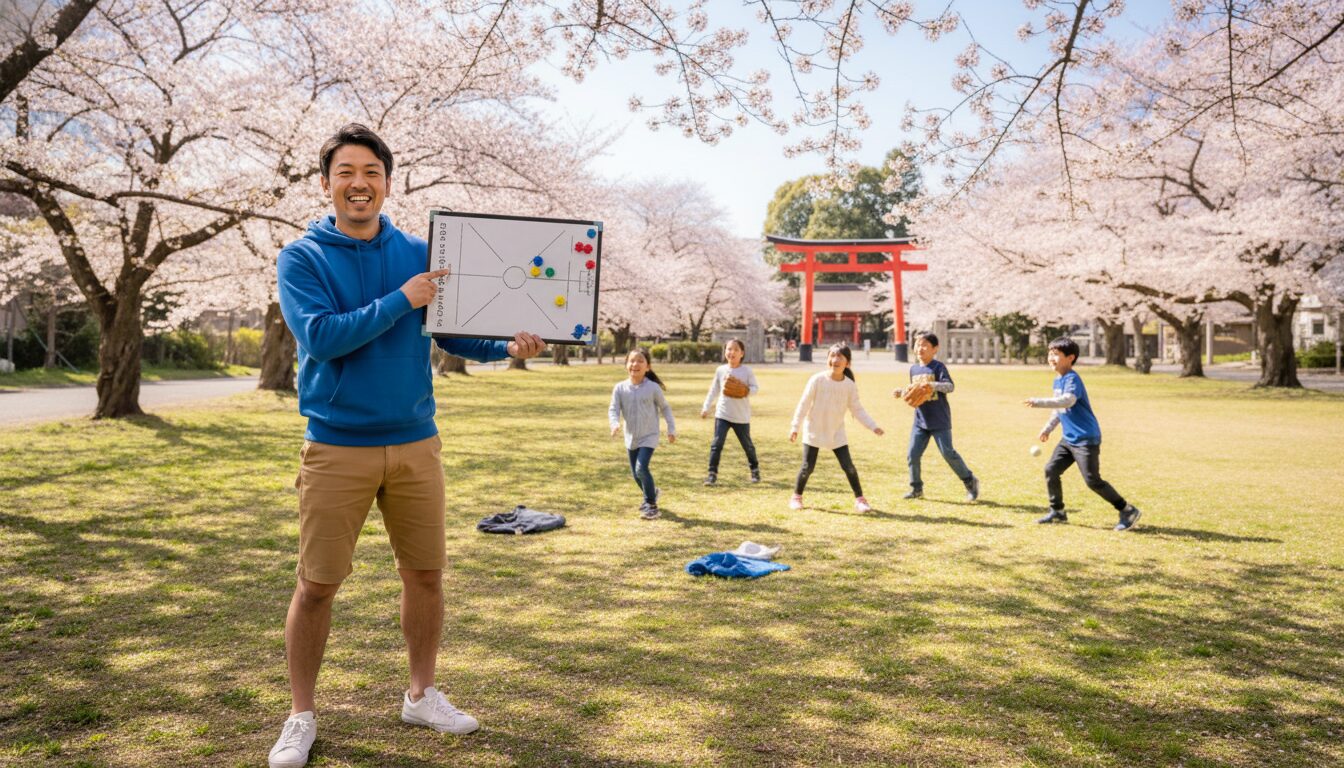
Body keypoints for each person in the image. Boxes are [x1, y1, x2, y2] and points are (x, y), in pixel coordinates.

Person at [269, 123, 544, 768]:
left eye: (371, 172)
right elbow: (324, 338)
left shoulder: (421, 251)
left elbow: (450, 332)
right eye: (345, 173)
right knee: (317, 585)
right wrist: (400, 299)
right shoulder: (302, 257)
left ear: (389, 183)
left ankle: (421, 693)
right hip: (337, 446)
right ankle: (300, 714)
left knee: (425, 576)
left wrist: (506, 346)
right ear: (326, 183)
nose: (358, 184)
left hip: (417, 442)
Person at [1025, 337, 1141, 531]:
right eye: (1050, 353)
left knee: (1092, 480)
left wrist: (1038, 402)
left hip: (1085, 438)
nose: (1051, 357)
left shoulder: (1072, 378)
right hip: (1068, 439)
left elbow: (1067, 401)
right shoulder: (1058, 380)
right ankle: (1058, 511)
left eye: (1056, 354)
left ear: (1070, 358)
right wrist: (1048, 428)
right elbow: (1059, 409)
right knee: (1051, 470)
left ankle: (1127, 510)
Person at [788, 343, 884, 513]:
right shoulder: (817, 380)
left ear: (847, 363)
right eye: (832, 356)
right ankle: (796, 497)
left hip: (836, 432)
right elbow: (804, 404)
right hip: (814, 430)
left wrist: (873, 426)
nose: (835, 360)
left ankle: (860, 500)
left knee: (849, 467)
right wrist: (795, 427)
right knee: (807, 467)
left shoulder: (849, 385)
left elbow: (857, 409)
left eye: (840, 357)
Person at [892, 332, 980, 502]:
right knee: (912, 454)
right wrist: (901, 391)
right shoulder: (913, 369)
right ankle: (916, 488)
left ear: (935, 349)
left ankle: (970, 481)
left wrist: (932, 385)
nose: (920, 348)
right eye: (917, 344)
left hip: (939, 420)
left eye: (925, 345)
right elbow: (915, 391)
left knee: (948, 453)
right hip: (920, 421)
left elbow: (949, 386)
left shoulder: (938, 367)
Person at [609, 348, 677, 519]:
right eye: (632, 360)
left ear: (648, 366)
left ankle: (651, 505)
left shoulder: (653, 388)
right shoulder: (620, 388)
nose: (635, 364)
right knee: (635, 474)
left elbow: (665, 408)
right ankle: (652, 492)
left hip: (649, 436)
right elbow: (613, 409)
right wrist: (615, 423)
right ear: (626, 365)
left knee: (641, 468)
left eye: (640, 361)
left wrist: (671, 428)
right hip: (630, 437)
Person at [700, 338, 760, 486]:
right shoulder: (720, 370)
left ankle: (755, 470)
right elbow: (714, 390)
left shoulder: (747, 371)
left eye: (735, 349)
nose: (731, 352)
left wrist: (745, 391)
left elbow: (755, 388)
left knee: (747, 446)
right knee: (716, 444)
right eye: (728, 349)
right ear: (725, 351)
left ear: (742, 353)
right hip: (723, 414)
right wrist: (706, 407)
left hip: (741, 416)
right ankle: (712, 474)